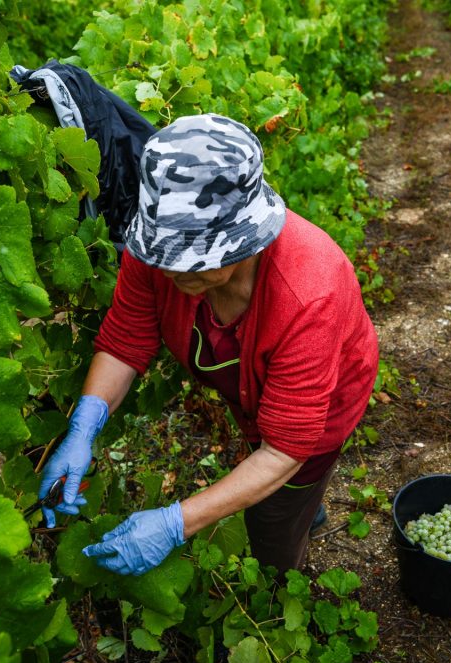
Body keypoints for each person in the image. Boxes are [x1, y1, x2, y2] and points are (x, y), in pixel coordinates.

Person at [39, 113, 379, 577]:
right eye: (166, 257)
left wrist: (176, 523)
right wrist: (84, 425)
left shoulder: (311, 294)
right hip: (253, 395)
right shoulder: (158, 254)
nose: (175, 273)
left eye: (196, 262)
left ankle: (283, 569)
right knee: (265, 461)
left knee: (277, 517)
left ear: (248, 240)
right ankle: (298, 501)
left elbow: (285, 449)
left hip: (322, 408)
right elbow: (125, 340)